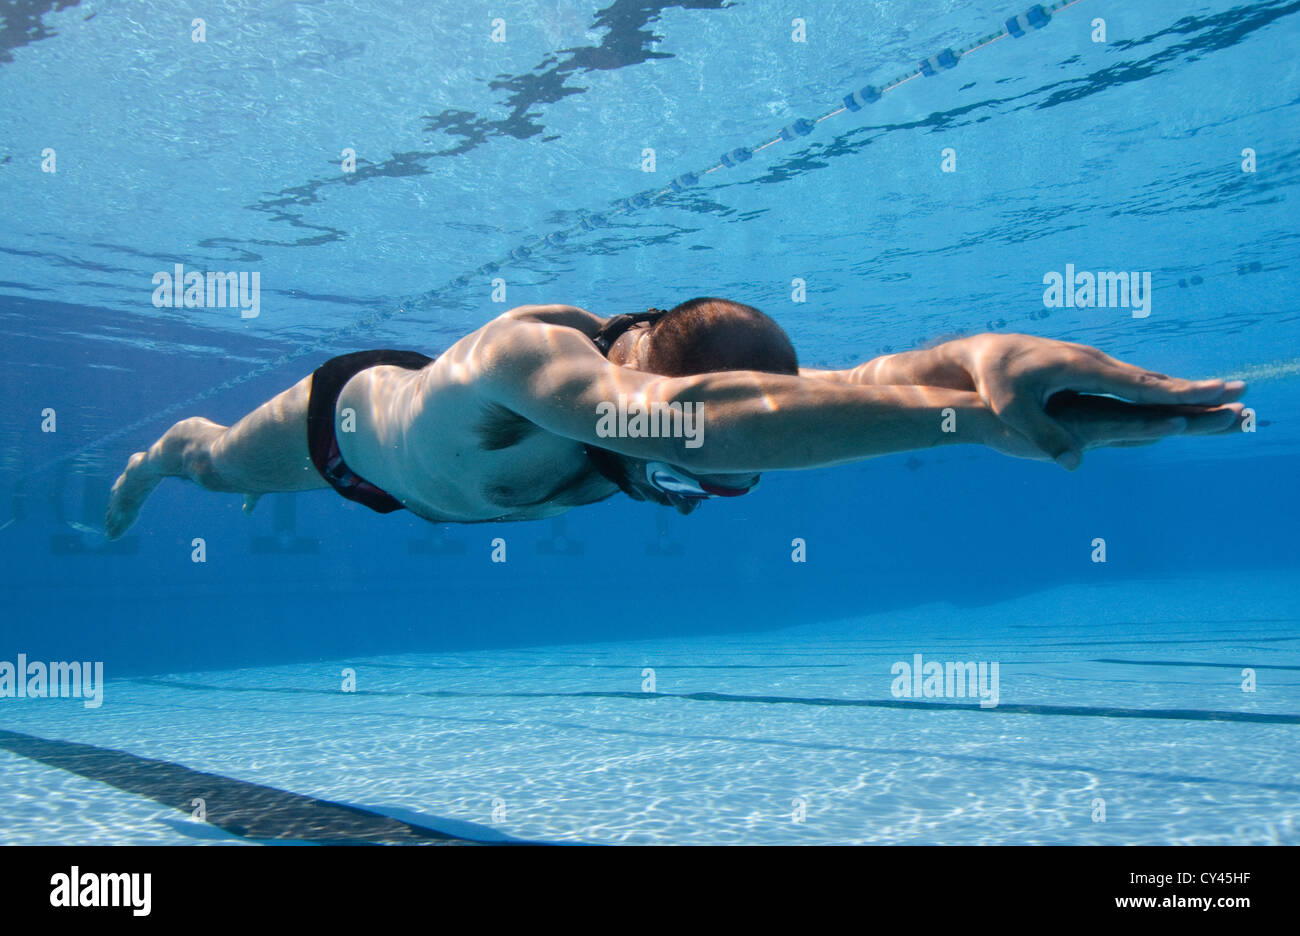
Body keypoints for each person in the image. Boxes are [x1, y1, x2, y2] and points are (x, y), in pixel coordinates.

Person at [105, 297, 1246, 538]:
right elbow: (685, 422)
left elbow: (861, 379)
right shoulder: (534, 359)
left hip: (447, 476)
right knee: (213, 469)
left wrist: (980, 360)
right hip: (347, 432)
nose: (694, 485)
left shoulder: (647, 416)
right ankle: (142, 469)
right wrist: (962, 425)